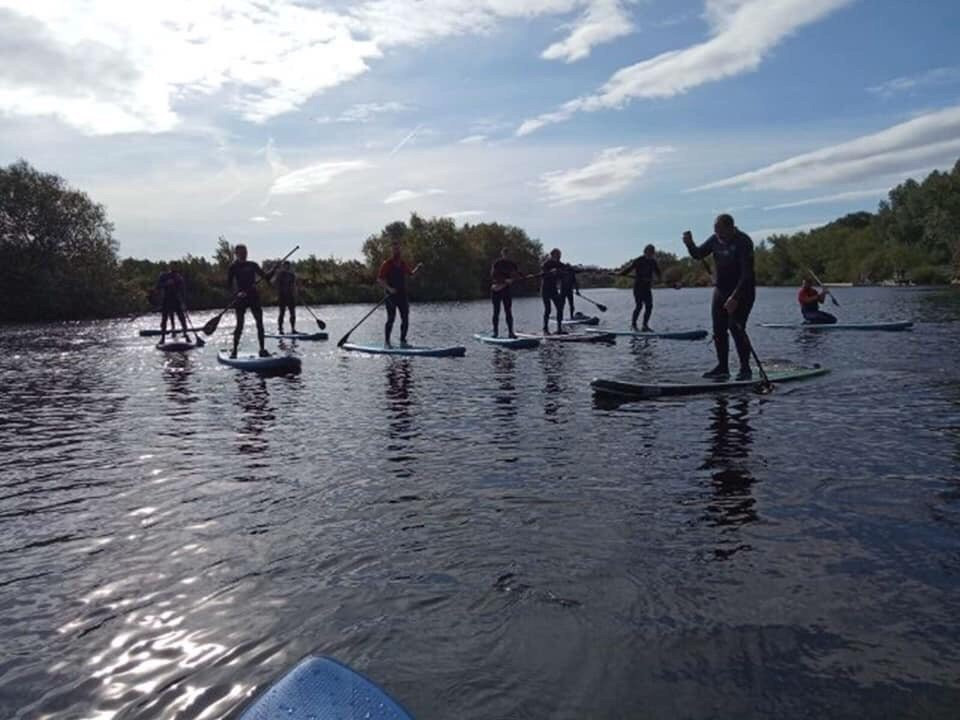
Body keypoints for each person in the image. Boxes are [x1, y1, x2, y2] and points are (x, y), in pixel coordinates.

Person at [683, 214, 756, 380]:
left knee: (735, 328)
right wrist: (689, 244)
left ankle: (745, 368)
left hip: (743, 291)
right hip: (721, 291)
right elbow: (698, 254)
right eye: (715, 231)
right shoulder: (714, 239)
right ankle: (723, 367)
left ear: (730, 228)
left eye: (721, 231)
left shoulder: (743, 241)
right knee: (718, 329)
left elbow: (747, 274)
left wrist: (735, 297)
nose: (718, 235)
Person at [227, 244, 272, 358]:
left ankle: (262, 349)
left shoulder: (252, 265)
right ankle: (234, 351)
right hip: (241, 298)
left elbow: (266, 277)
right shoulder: (233, 267)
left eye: (245, 252)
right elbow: (228, 285)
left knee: (259, 323)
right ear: (236, 254)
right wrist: (236, 294)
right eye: (242, 252)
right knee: (240, 325)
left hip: (253, 296)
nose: (244, 254)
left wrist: (272, 272)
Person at [377, 239, 421, 347]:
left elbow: (411, 274)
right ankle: (387, 342)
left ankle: (403, 341)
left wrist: (418, 268)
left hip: (402, 295)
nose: (397, 251)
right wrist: (389, 288)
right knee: (391, 319)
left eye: (398, 249)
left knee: (405, 318)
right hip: (390, 296)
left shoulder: (402, 264)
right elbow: (380, 280)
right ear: (392, 251)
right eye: (395, 249)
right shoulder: (387, 264)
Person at [620, 244, 661, 331]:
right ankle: (633, 325)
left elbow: (658, 272)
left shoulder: (653, 262)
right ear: (645, 252)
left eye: (652, 252)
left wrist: (659, 279)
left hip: (647, 288)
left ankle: (645, 326)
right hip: (638, 287)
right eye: (649, 252)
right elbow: (629, 269)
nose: (651, 254)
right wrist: (621, 273)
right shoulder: (639, 260)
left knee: (649, 306)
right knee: (639, 306)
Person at [490, 248, 523, 338]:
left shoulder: (513, 264)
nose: (507, 256)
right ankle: (495, 332)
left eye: (509, 254)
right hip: (496, 289)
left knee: (508, 311)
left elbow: (517, 274)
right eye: (506, 254)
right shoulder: (497, 263)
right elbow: (493, 275)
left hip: (506, 290)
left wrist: (522, 276)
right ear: (502, 254)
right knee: (496, 311)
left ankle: (511, 332)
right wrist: (504, 280)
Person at [156, 262, 190, 343]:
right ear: (170, 267)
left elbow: (183, 290)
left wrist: (183, 302)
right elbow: (158, 286)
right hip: (166, 300)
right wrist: (166, 284)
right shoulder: (164, 276)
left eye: (175, 267)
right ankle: (163, 338)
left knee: (182, 318)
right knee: (164, 319)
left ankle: (186, 335)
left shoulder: (178, 277)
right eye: (172, 267)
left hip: (176, 299)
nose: (174, 268)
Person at [540, 248, 566, 334]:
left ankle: (559, 329)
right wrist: (550, 272)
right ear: (553, 255)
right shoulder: (546, 264)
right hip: (545, 289)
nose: (559, 256)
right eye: (558, 255)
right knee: (548, 309)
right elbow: (544, 273)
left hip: (554, 289)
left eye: (560, 255)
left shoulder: (560, 264)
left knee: (559, 307)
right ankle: (545, 329)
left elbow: (564, 270)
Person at [276, 261, 298, 334]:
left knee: (293, 313)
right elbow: (276, 284)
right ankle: (280, 329)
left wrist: (295, 293)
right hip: (282, 296)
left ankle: (293, 329)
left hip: (290, 296)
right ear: (283, 267)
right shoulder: (280, 274)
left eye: (288, 266)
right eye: (285, 266)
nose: (287, 267)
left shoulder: (292, 275)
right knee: (282, 313)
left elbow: (294, 285)